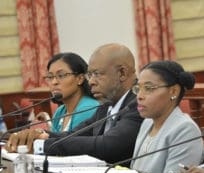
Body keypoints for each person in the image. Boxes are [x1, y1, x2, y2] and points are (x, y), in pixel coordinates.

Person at [5, 43, 144, 165]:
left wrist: (40, 145)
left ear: (122, 73)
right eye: (90, 75)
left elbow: (107, 145)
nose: (91, 82)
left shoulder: (139, 104)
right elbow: (74, 134)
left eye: (97, 74)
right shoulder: (106, 106)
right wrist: (39, 134)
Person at [130, 60, 204, 173]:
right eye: (138, 89)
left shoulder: (185, 130)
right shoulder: (147, 122)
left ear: (173, 91)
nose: (139, 96)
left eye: (148, 88)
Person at [45, 52, 99, 133]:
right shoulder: (60, 111)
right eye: (50, 77)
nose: (54, 82)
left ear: (80, 79)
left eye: (61, 75)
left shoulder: (88, 108)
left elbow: (73, 144)